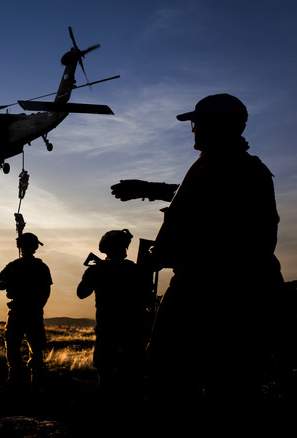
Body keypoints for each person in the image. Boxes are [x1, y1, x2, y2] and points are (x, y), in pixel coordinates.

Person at [112, 94, 285, 430]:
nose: (193, 130)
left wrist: (159, 256)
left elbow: (201, 219)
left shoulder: (221, 167)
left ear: (217, 125)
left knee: (176, 381)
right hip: (236, 291)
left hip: (209, 293)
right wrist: (149, 188)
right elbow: (197, 195)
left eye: (198, 123)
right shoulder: (237, 166)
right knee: (231, 388)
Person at [77, 229, 153, 401]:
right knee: (130, 376)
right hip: (130, 328)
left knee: (106, 374)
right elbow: (147, 297)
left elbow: (81, 293)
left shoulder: (98, 270)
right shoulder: (135, 270)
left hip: (109, 327)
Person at [0, 232, 52, 388]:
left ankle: (32, 380)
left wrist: (36, 304)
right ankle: (19, 379)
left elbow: (45, 292)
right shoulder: (15, 266)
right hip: (22, 310)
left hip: (29, 310)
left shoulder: (38, 267)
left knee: (33, 347)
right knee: (16, 346)